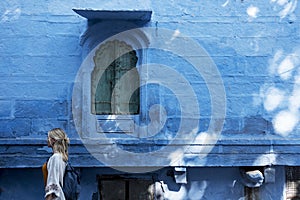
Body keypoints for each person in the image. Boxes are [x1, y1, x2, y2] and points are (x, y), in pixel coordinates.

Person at [42, 128, 70, 200]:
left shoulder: (55, 158)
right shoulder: (62, 157)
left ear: (53, 140)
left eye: (48, 138)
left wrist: (49, 198)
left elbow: (53, 184)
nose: (47, 140)